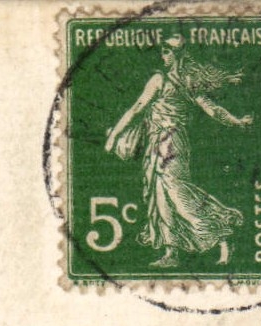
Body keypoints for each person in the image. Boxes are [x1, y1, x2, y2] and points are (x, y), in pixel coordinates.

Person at [103, 34, 253, 267]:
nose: (164, 56)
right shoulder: (171, 80)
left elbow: (211, 109)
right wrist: (237, 121)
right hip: (156, 143)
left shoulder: (176, 81)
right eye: (163, 51)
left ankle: (222, 234)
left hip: (171, 143)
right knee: (159, 195)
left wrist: (237, 121)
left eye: (168, 52)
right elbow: (138, 109)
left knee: (177, 193)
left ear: (178, 55)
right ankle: (171, 252)